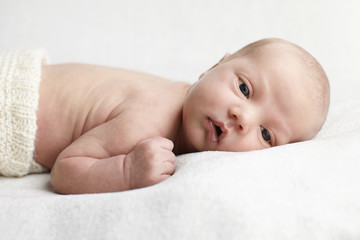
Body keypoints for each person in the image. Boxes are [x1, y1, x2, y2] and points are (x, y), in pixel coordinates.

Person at [0, 38, 330, 194]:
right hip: (11, 103)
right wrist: (126, 171)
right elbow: (65, 170)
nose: (242, 117)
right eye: (244, 89)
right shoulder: (151, 120)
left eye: (266, 134)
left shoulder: (184, 102)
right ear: (214, 66)